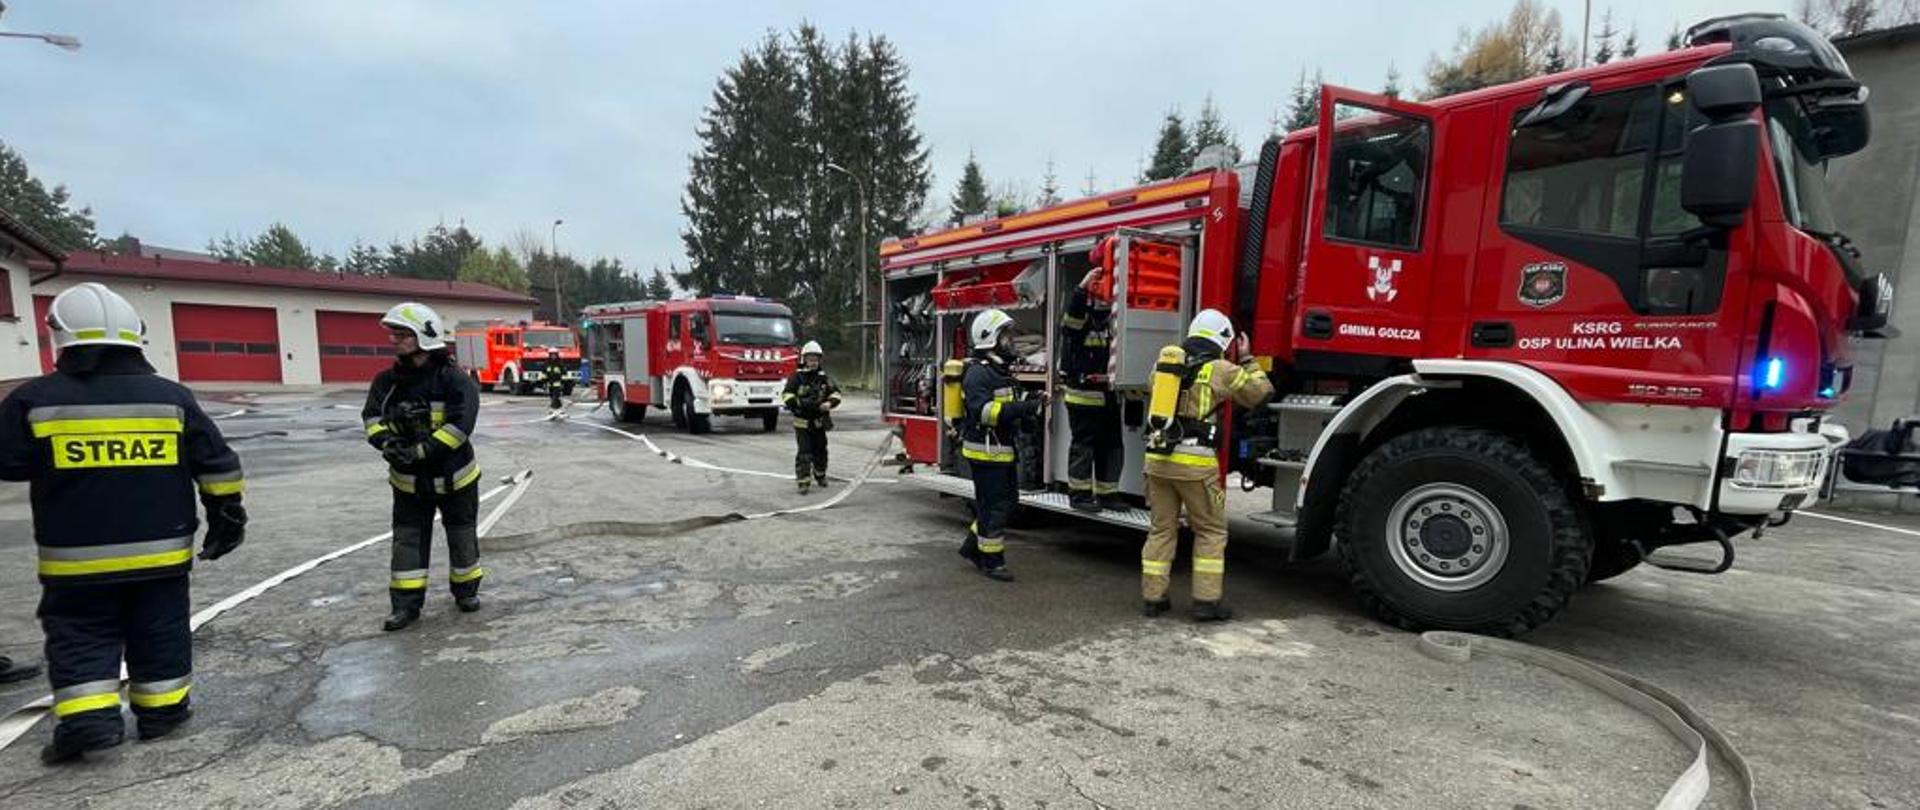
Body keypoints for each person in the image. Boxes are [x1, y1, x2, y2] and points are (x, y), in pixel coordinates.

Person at [0, 282, 247, 763]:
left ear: (61, 338)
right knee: (161, 627)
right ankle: (164, 712)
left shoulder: (35, 400)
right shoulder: (169, 398)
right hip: (162, 551)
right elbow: (217, 463)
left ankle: (90, 720)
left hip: (77, 559)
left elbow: (7, 462)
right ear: (135, 335)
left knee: (81, 632)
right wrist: (226, 517)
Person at [1140, 308, 1272, 622]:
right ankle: (1206, 602)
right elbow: (1259, 393)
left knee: (1161, 530)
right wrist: (1249, 358)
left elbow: (1150, 390)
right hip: (1195, 464)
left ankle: (1153, 599)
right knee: (1211, 530)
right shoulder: (1222, 369)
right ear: (1224, 339)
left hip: (1157, 460)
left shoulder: (1164, 366)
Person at [363, 302, 484, 632]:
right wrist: (387, 443)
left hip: (455, 477)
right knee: (407, 543)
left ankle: (466, 593)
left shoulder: (455, 381)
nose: (394, 341)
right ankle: (405, 606)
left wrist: (420, 451)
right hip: (408, 483)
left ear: (424, 336)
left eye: (402, 335)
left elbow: (460, 427)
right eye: (394, 334)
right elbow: (372, 419)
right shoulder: (386, 382)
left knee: (462, 538)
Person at [958, 309, 1046, 582]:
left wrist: (1033, 400)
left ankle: (973, 547)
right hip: (985, 453)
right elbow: (983, 412)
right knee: (995, 507)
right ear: (990, 338)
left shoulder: (1000, 371)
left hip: (1000, 451)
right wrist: (1022, 408)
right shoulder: (978, 373)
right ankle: (992, 561)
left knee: (1006, 503)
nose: (1012, 340)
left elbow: (1010, 402)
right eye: (1006, 335)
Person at [1059, 242, 1123, 512]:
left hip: (1108, 395)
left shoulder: (1112, 320)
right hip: (1083, 394)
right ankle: (1080, 496)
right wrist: (1082, 288)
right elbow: (1070, 322)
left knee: (1111, 446)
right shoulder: (1079, 320)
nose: (1102, 300)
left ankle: (1108, 494)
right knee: (1084, 446)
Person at [782, 341, 842, 494]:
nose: (813, 362)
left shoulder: (824, 378)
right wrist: (800, 403)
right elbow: (786, 395)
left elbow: (836, 393)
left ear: (819, 360)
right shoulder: (797, 377)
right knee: (805, 452)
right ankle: (803, 482)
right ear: (804, 359)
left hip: (819, 422)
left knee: (821, 450)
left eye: (816, 359)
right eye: (810, 359)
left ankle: (820, 475)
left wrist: (829, 403)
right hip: (802, 422)